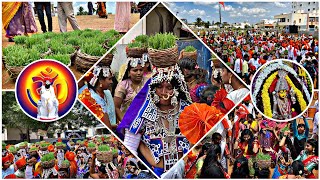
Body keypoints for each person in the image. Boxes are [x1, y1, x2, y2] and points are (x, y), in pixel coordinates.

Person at [122, 58, 192, 176]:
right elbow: (130, 147)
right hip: (156, 173)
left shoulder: (188, 111)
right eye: (159, 87)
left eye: (169, 87)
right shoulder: (144, 112)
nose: (163, 92)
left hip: (185, 172)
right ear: (153, 88)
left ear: (176, 89)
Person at [78, 64, 116, 129]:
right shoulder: (92, 98)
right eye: (109, 79)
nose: (111, 82)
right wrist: (117, 126)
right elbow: (107, 126)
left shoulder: (108, 93)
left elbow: (113, 114)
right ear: (100, 80)